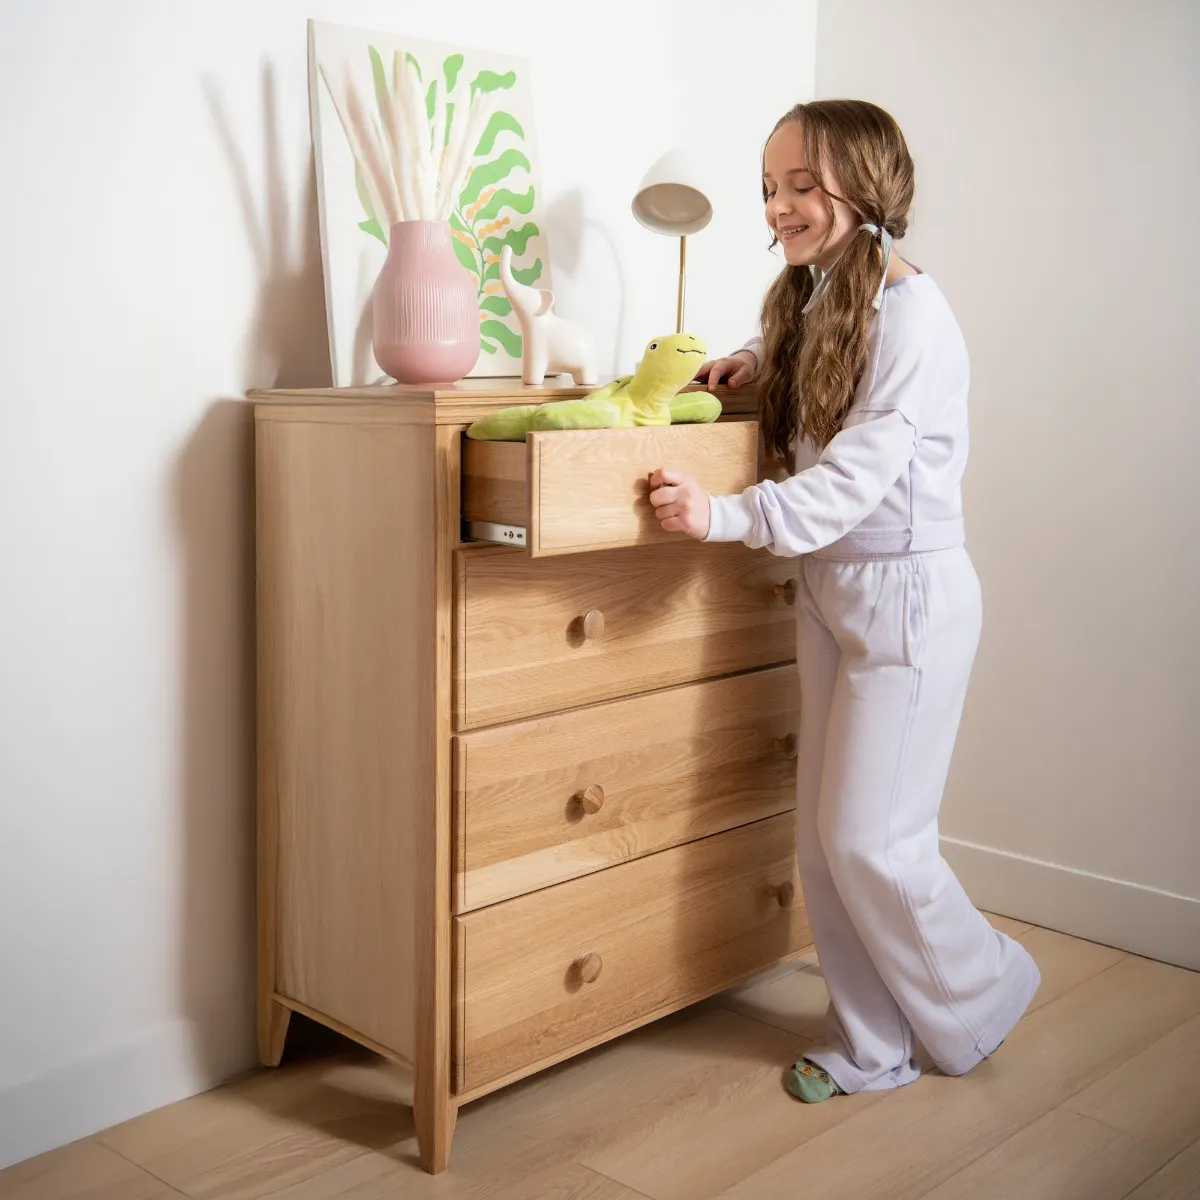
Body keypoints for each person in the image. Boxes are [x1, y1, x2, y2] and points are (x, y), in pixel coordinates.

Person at [648, 99, 1040, 1102]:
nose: (780, 206)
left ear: (864, 188)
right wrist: (753, 358)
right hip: (834, 588)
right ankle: (871, 1042)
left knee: (877, 839)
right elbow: (820, 353)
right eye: (771, 188)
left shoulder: (915, 314)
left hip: (905, 595)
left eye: (802, 186)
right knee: (827, 843)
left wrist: (726, 517)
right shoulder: (820, 296)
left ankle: (987, 986)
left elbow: (854, 478)